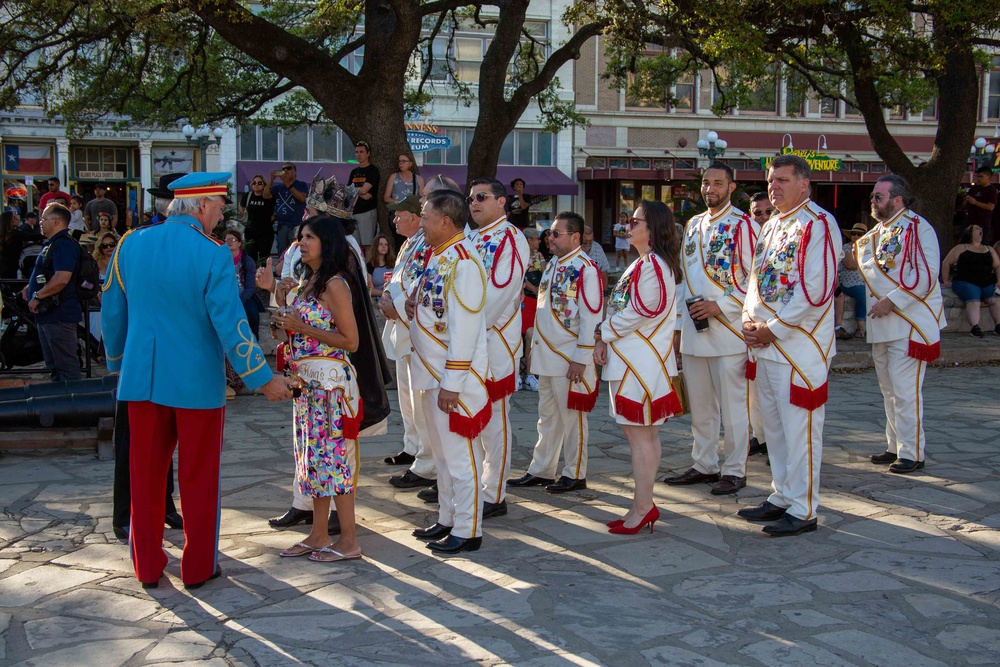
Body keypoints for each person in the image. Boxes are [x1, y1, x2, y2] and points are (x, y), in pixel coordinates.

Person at [102, 171, 293, 589]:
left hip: (143, 379)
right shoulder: (213, 253)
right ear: (202, 205)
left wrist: (119, 361)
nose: (222, 213)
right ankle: (197, 566)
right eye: (221, 205)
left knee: (145, 475)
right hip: (196, 384)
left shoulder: (130, 243)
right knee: (199, 477)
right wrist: (261, 378)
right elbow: (232, 324)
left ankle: (147, 565)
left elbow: (112, 307)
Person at [740, 155, 842, 537]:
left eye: (782, 180)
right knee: (775, 429)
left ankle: (804, 508)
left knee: (801, 431)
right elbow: (754, 278)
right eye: (770, 181)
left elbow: (816, 291)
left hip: (799, 348)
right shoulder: (771, 226)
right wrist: (748, 321)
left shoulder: (820, 224)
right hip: (764, 344)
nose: (774, 187)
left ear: (805, 185)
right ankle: (782, 495)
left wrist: (774, 328)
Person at [261, 216, 364, 562]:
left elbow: (351, 340)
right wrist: (278, 302)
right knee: (313, 462)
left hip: (330, 389)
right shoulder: (309, 282)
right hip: (307, 388)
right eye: (300, 236)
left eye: (310, 237)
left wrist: (301, 324)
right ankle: (318, 533)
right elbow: (294, 332)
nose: (301, 243)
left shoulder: (335, 284)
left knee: (334, 462)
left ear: (328, 242)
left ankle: (348, 540)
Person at [666, 163, 759, 496]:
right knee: (701, 406)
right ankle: (704, 463)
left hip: (728, 329)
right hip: (694, 328)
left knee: (733, 407)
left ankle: (734, 469)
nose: (710, 189)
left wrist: (724, 305)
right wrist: (678, 325)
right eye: (706, 183)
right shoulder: (692, 225)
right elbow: (684, 280)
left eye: (718, 183)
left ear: (731, 188)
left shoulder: (744, 225)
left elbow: (755, 277)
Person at [406, 189, 490, 554]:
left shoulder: (464, 262)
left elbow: (466, 331)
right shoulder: (440, 256)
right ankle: (447, 517)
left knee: (460, 457)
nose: (420, 222)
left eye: (425, 216)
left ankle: (468, 528)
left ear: (445, 221)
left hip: (451, 380)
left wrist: (453, 384)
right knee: (441, 456)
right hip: (431, 374)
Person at [594, 200, 682, 534]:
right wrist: (605, 336)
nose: (627, 226)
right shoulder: (644, 264)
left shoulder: (654, 265)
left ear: (653, 227)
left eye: (635, 220)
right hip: (633, 361)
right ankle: (642, 504)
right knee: (643, 436)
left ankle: (643, 507)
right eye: (627, 220)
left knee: (640, 437)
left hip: (639, 364)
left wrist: (604, 330)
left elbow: (646, 309)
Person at [510, 211, 603, 493]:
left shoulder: (586, 269)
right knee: (547, 417)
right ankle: (542, 469)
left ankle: (575, 473)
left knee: (572, 419)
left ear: (575, 237)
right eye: (549, 233)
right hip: (548, 354)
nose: (549, 238)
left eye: (555, 233)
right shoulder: (552, 265)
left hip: (569, 358)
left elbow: (591, 317)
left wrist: (581, 359)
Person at [857, 174, 944, 475]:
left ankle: (912, 452)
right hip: (882, 325)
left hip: (909, 323)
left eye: (878, 196)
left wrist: (892, 300)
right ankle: (895, 445)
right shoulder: (876, 233)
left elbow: (926, 274)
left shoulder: (918, 228)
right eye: (872, 196)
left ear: (897, 199)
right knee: (889, 389)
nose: (873, 201)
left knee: (906, 391)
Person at [466, 177, 530, 520]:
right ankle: (475, 485)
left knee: (494, 422)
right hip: (468, 343)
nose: (474, 202)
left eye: (482, 197)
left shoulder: (511, 238)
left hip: (494, 342)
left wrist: (465, 329)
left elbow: (500, 293)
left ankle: (495, 492)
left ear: (502, 202)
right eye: (471, 198)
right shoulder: (471, 237)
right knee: (471, 418)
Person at [378, 195, 438, 490]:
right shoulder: (410, 242)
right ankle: (413, 446)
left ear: (415, 217)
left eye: (400, 215)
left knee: (418, 396)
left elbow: (420, 282)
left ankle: (427, 462)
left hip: (413, 323)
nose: (395, 220)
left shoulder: (427, 242)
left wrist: (397, 305)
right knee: (406, 394)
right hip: (401, 322)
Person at [22, 204, 82, 382]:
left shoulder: (63, 244)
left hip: (59, 315)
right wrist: (30, 286)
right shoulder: (53, 244)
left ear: (56, 221)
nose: (40, 222)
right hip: (49, 316)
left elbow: (62, 278)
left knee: (66, 367)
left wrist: (37, 296)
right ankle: (61, 406)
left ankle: (73, 406)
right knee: (55, 366)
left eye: (44, 219)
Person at [746, 193, 773, 457]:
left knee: (770, 388)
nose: (763, 218)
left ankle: (773, 441)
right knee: (751, 387)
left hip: (774, 327)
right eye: (757, 213)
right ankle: (759, 435)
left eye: (768, 212)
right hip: (746, 323)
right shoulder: (744, 237)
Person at [941, 224, 1000, 337]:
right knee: (974, 300)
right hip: (966, 280)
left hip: (987, 280)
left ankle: (998, 325)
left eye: (981, 228)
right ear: (970, 233)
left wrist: (999, 280)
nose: (981, 230)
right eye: (977, 228)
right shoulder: (961, 248)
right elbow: (946, 263)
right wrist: (946, 280)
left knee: (995, 299)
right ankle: (975, 326)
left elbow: (998, 266)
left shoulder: (989, 249)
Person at [224, 229, 265, 341]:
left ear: (239, 243)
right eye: (227, 239)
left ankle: (254, 341)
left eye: (233, 239)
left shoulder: (247, 261)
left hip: (244, 297)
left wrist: (240, 300)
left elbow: (250, 287)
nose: (229, 242)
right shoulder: (221, 260)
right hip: (225, 298)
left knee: (252, 313)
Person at [834, 223, 869, 341]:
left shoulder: (869, 247)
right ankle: (860, 327)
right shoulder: (846, 248)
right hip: (848, 281)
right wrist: (867, 264)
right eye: (853, 234)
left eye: (859, 234)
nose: (855, 236)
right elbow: (849, 264)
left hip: (865, 280)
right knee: (862, 294)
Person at [520, 227, 543, 392]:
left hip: (537, 301)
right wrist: (531, 287)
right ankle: (516, 375)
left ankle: (530, 375)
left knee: (533, 334)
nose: (539, 241)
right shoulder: (520, 255)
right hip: (524, 299)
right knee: (522, 333)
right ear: (528, 240)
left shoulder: (539, 256)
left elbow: (544, 274)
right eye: (536, 238)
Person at [269, 163, 308, 256]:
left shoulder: (301, 184)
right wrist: (271, 180)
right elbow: (266, 195)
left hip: (296, 224)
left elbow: (302, 198)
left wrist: (288, 185)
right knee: (282, 253)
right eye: (283, 169)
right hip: (282, 224)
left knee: (296, 251)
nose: (286, 170)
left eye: (289, 168)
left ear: (295, 172)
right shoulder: (278, 187)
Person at [349, 141, 380, 249]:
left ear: (368, 154)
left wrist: (357, 191)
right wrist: (360, 193)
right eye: (357, 152)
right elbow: (348, 191)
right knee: (354, 245)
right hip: (353, 211)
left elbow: (364, 189)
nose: (359, 154)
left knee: (368, 244)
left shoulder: (373, 170)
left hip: (367, 211)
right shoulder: (354, 172)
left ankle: (367, 266)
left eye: (361, 152)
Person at [239, 174, 275, 261]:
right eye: (254, 183)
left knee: (264, 259)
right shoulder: (248, 196)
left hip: (265, 232)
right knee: (250, 258)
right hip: (250, 232)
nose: (256, 185)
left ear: (264, 185)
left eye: (259, 183)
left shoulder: (268, 197)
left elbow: (274, 212)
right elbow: (241, 209)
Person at [0, 210, 43, 279]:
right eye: (14, 218)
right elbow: (32, 236)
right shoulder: (15, 234)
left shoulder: (4, 234)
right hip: (12, 267)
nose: (17, 219)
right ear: (9, 221)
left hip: (3, 267)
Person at [964, 166, 997, 243]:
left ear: (988, 177)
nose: (978, 179)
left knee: (980, 243)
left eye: (981, 176)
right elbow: (965, 204)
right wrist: (966, 200)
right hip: (970, 221)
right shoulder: (974, 189)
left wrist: (975, 202)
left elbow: (990, 207)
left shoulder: (991, 190)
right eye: (977, 176)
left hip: (982, 223)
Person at [365, 234, 396, 301]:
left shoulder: (394, 263)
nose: (384, 246)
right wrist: (385, 294)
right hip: (377, 299)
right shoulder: (370, 265)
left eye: (386, 244)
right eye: (381, 244)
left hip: (394, 297)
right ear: (376, 247)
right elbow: (371, 290)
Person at [582, 225, 610, 291]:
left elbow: (604, 271)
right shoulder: (573, 248)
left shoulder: (598, 247)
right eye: (585, 242)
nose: (588, 244)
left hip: (594, 289)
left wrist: (605, 292)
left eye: (590, 241)